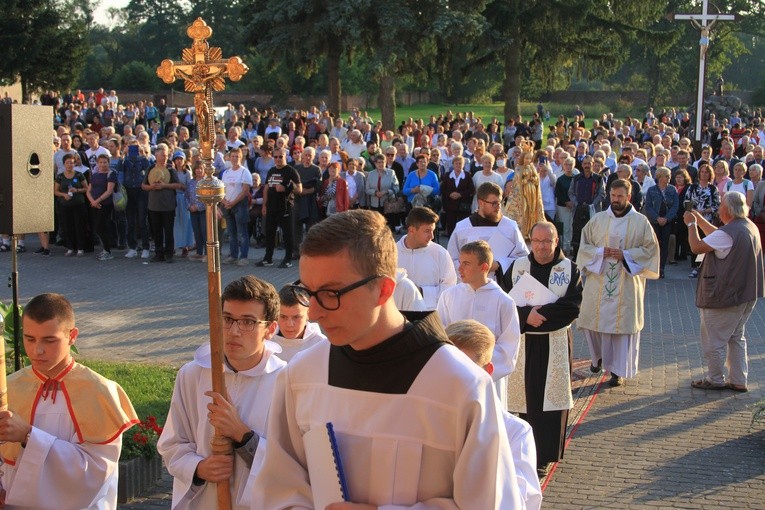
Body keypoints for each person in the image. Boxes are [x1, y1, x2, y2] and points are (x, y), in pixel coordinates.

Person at [250, 210, 522, 508]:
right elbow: (276, 488)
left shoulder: (461, 388)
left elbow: (494, 503)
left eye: (330, 294)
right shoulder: (302, 376)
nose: (313, 313)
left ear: (384, 289)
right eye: (308, 292)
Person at [157, 276, 287, 509]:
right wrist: (198, 467)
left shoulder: (285, 382)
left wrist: (244, 437)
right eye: (227, 319)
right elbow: (172, 444)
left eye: (248, 322)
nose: (234, 331)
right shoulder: (193, 374)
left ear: (270, 329)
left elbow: (292, 463)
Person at [0, 293, 139, 509]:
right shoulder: (10, 387)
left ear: (72, 335)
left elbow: (95, 472)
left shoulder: (99, 391)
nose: (37, 350)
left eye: (49, 340)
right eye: (30, 338)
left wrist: (28, 435)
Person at [502, 222, 582, 478]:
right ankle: (524, 451)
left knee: (550, 401)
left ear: (557, 241)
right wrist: (525, 316)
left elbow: (572, 307)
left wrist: (539, 316)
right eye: (536, 241)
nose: (541, 246)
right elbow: (502, 301)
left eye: (547, 241)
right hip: (524, 342)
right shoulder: (517, 268)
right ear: (530, 241)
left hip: (554, 341)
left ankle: (544, 455)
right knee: (525, 398)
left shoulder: (570, 270)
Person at [445, 319, 542, 509]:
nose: (453, 379)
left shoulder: (515, 432)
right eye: (448, 367)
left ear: (487, 372)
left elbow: (522, 500)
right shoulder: (427, 419)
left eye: (466, 370)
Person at [576, 179, 660, 387]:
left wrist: (626, 255)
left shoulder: (641, 222)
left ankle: (617, 370)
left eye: (620, 196)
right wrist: (599, 252)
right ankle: (597, 359)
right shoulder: (598, 220)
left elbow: (651, 250)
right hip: (599, 278)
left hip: (626, 282)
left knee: (621, 328)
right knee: (592, 324)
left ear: (628, 197)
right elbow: (584, 246)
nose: (616, 200)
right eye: (613, 196)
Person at [684, 191, 764, 392]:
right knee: (736, 337)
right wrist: (699, 218)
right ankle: (738, 379)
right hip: (746, 294)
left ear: (728, 209)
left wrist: (691, 225)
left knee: (714, 340)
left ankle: (715, 379)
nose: (719, 208)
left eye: (721, 205)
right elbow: (716, 235)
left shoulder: (729, 233)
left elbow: (696, 246)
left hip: (725, 296)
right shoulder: (747, 226)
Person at [437, 240, 521, 406]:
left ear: (484, 267)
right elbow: (439, 334)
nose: (459, 269)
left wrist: (478, 367)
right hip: (455, 375)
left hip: (489, 377)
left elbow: (509, 346)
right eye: (460, 263)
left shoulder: (503, 301)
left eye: (466, 264)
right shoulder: (449, 296)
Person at [447, 181, 529, 281]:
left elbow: (523, 257)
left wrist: (499, 265)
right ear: (481, 203)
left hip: (501, 286)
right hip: (470, 287)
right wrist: (470, 268)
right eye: (494, 203)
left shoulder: (510, 226)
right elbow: (451, 259)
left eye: (500, 202)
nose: (498, 207)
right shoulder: (463, 228)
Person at [396, 207, 458, 310]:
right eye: (427, 231)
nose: (432, 236)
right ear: (411, 230)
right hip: (398, 317)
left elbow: (450, 288)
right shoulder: (391, 253)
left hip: (430, 316)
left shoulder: (440, 253)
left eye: (433, 230)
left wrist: (422, 292)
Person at [257, 148, 302, 268]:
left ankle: (287, 259)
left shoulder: (291, 171)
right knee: (269, 233)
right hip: (271, 207)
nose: (277, 159)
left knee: (287, 235)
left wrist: (286, 189)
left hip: (286, 207)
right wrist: (264, 205)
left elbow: (299, 189)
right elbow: (266, 188)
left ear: (285, 157)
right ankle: (268, 258)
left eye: (280, 157)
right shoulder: (271, 170)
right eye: (275, 157)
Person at [142, 143, 182, 263]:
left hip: (168, 205)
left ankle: (169, 254)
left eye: (166, 155)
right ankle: (158, 253)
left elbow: (178, 185)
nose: (164, 157)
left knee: (168, 231)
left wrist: (165, 185)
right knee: (156, 231)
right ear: (156, 156)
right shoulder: (150, 169)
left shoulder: (170, 169)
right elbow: (143, 185)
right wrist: (151, 187)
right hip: (154, 205)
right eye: (162, 155)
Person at [271, 285, 328, 363]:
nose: (289, 324)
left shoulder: (322, 345)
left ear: (308, 314)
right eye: (283, 317)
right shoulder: (265, 341)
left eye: (296, 317)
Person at [643, 167, 679, 278]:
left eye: (669, 176)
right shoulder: (652, 190)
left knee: (664, 244)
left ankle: (661, 268)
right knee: (654, 244)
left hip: (667, 221)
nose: (669, 178)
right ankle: (652, 267)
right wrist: (657, 217)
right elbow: (648, 206)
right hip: (655, 221)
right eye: (666, 176)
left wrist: (667, 218)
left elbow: (675, 206)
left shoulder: (672, 190)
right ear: (660, 177)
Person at [221, 147, 253, 266]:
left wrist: (233, 202)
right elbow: (222, 189)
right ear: (229, 157)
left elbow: (245, 191)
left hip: (239, 205)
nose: (234, 159)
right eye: (233, 156)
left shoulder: (245, 172)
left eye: (237, 156)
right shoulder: (226, 172)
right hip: (227, 205)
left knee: (242, 232)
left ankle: (243, 256)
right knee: (231, 232)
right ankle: (233, 255)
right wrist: (224, 202)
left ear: (241, 157)